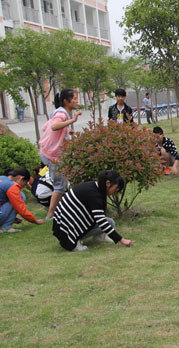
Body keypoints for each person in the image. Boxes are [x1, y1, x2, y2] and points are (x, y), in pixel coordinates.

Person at [52, 170, 133, 251]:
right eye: (116, 188)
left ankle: (99, 237)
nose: (116, 192)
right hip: (64, 229)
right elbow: (101, 221)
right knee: (105, 222)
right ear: (108, 183)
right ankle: (74, 241)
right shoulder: (94, 195)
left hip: (63, 224)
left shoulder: (94, 187)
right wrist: (121, 240)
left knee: (110, 222)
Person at [39, 88, 82, 220]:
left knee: (61, 183)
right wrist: (72, 121)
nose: (76, 101)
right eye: (74, 99)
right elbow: (54, 126)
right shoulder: (62, 114)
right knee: (60, 185)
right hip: (53, 155)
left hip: (47, 152)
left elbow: (45, 127)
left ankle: (62, 209)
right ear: (66, 101)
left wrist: (64, 134)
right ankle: (50, 214)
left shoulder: (58, 113)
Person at [0, 169, 45, 234]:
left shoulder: (2, 178)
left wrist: (12, 217)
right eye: (25, 183)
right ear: (21, 178)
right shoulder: (12, 186)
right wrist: (35, 221)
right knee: (21, 196)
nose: (24, 186)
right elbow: (21, 209)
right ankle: (6, 227)